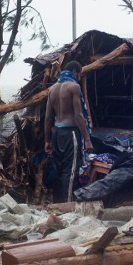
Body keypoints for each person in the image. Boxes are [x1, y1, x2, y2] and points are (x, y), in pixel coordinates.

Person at [44, 60, 94, 202]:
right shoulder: (74, 87)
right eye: (79, 75)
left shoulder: (52, 89)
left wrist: (47, 140)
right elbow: (78, 116)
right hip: (70, 133)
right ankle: (66, 205)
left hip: (56, 133)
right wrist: (88, 139)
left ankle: (57, 202)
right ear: (75, 72)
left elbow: (48, 118)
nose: (79, 78)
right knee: (70, 170)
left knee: (59, 169)